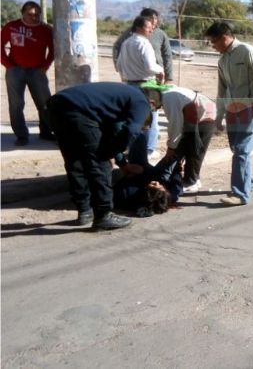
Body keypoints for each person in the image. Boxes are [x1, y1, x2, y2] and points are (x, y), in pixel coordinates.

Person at [46, 82, 152, 230]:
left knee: (75, 161)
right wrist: (107, 154)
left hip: (56, 107)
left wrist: (123, 164)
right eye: (144, 126)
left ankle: (84, 211)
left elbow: (111, 134)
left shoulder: (114, 102)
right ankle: (103, 215)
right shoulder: (141, 102)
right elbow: (130, 131)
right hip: (79, 111)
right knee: (100, 164)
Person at [205, 21, 253, 206]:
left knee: (242, 150)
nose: (212, 46)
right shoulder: (222, 60)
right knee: (236, 149)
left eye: (214, 42)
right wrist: (219, 115)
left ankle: (240, 194)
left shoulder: (247, 52)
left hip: (250, 108)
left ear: (225, 38)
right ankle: (247, 183)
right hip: (231, 110)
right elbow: (222, 90)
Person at [140, 81, 216, 193]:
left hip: (204, 116)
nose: (153, 109)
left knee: (195, 150)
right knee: (188, 148)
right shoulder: (167, 94)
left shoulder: (169, 98)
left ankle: (191, 182)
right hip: (198, 114)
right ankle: (194, 178)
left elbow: (175, 125)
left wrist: (171, 148)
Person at [1, 1, 55, 146]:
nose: (34, 17)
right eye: (30, 14)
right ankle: (21, 135)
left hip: (37, 71)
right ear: (23, 13)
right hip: (15, 70)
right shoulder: (12, 27)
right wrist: (8, 65)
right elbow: (1, 45)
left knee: (44, 103)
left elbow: (53, 50)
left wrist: (45, 66)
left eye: (37, 14)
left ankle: (46, 132)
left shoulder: (45, 30)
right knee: (16, 104)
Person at [116, 16, 165, 158]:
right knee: (151, 119)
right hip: (147, 85)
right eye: (148, 27)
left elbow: (119, 65)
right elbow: (150, 66)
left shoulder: (126, 43)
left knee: (134, 118)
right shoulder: (144, 44)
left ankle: (133, 148)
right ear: (138, 27)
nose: (151, 30)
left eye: (152, 27)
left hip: (129, 84)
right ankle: (149, 150)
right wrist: (160, 70)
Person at [113, 8, 173, 82]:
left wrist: (168, 76)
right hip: (142, 78)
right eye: (151, 18)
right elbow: (117, 49)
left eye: (156, 18)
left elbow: (167, 55)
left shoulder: (161, 34)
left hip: (157, 76)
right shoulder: (131, 37)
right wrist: (122, 72)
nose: (154, 20)